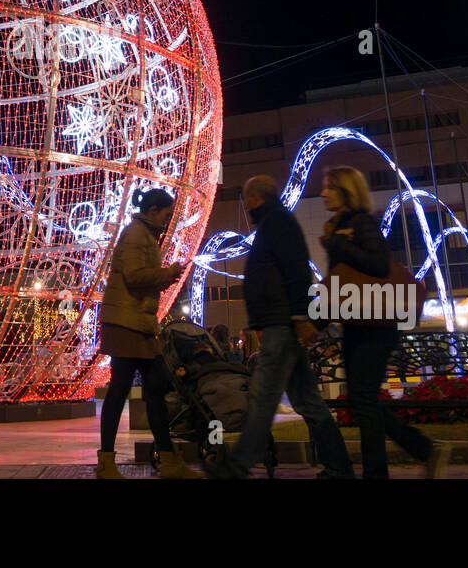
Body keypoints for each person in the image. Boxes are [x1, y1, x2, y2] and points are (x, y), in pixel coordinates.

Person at [206, 175, 354, 479]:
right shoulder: (273, 224)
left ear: (255, 198)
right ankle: (340, 467)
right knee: (308, 401)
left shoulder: (277, 223)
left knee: (262, 397)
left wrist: (300, 317)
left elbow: (296, 272)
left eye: (246, 198)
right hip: (281, 323)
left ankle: (237, 466)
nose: (245, 205)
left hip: (282, 324)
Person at [321, 166, 449, 478]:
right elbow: (341, 280)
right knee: (362, 399)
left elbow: (378, 264)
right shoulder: (338, 226)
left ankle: (380, 471)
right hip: (358, 324)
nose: (323, 193)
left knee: (363, 400)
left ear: (347, 191)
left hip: (376, 328)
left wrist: (339, 245)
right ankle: (423, 450)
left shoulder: (361, 223)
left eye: (330, 187)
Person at [95, 188, 202, 479]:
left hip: (138, 324)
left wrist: (166, 278)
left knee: (155, 389)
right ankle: (107, 461)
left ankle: (168, 460)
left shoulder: (145, 235)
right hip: (125, 324)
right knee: (121, 392)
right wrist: (167, 273)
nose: (168, 221)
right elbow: (133, 276)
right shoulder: (135, 234)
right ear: (153, 210)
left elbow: (141, 281)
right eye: (167, 215)